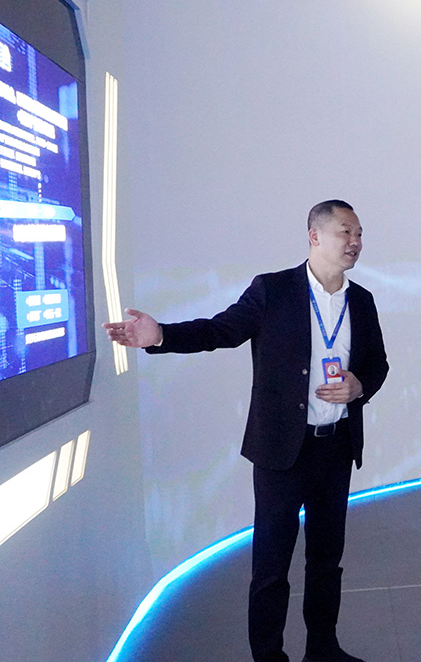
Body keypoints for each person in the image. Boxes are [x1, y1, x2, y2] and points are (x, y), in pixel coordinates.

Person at [104, 200, 389, 662]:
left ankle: (323, 649)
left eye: (359, 234)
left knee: (325, 562)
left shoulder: (362, 301)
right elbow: (220, 330)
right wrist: (160, 336)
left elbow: (378, 364)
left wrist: (359, 385)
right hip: (281, 452)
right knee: (271, 567)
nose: (355, 242)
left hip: (336, 448)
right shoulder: (273, 290)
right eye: (345, 232)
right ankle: (269, 657)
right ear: (315, 236)